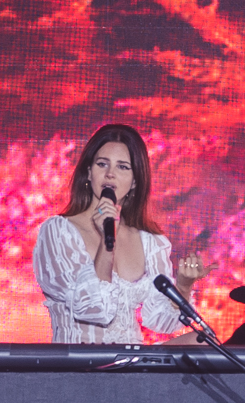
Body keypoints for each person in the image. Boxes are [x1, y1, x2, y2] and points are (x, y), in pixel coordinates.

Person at [33, 123, 209, 343]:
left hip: (130, 365)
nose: (110, 174)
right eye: (102, 164)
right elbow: (93, 308)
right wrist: (107, 244)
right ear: (89, 172)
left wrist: (183, 286)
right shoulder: (59, 231)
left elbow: (160, 322)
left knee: (199, 341)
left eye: (123, 167)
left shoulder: (150, 241)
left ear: (135, 181)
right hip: (80, 366)